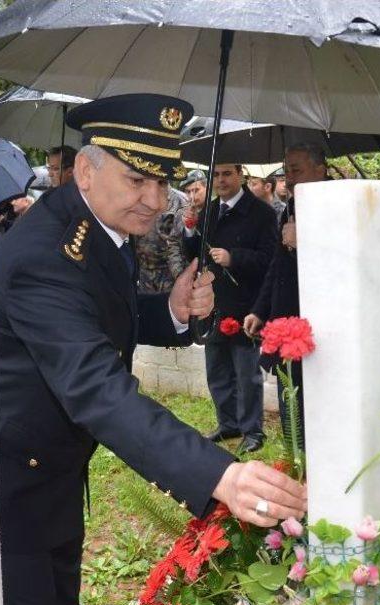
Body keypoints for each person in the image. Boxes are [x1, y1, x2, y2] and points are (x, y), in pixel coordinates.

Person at [0, 94, 306, 605]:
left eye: (164, 180)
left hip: (47, 467)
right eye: (136, 180)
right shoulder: (44, 253)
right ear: (85, 170)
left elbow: (97, 316)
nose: (154, 200)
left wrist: (168, 310)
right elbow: (96, 386)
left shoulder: (94, 224)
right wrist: (218, 473)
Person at [185, 164, 278, 453]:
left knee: (246, 372)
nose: (221, 180)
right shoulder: (209, 212)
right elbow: (197, 255)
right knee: (217, 370)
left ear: (240, 174)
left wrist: (234, 258)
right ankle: (228, 424)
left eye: (227, 174)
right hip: (214, 304)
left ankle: (252, 430)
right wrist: (190, 231)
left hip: (246, 303)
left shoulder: (262, 213)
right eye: (217, 175)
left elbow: (269, 260)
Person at [244, 143, 329, 437]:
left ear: (321, 169)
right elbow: (276, 267)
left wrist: (303, 241)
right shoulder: (291, 208)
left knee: (317, 405)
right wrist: (260, 309)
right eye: (286, 171)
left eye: (297, 170)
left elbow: (342, 264)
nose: (289, 178)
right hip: (285, 319)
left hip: (320, 327)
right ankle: (296, 457)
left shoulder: (338, 204)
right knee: (289, 398)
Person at [135, 185, 188, 293]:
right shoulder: (137, 195)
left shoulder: (180, 201)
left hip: (168, 272)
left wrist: (179, 274)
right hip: (143, 271)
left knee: (167, 307)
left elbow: (180, 241)